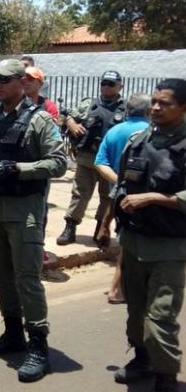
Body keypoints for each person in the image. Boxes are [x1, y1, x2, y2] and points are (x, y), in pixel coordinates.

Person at [0, 59, 66, 383]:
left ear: (21, 82)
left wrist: (19, 169)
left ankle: (38, 345)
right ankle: (13, 333)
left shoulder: (39, 120)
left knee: (27, 278)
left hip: (25, 211)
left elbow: (59, 163)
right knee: (0, 275)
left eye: (4, 80)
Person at [112, 79, 186, 392]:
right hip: (134, 243)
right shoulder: (138, 140)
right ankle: (142, 359)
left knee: (159, 321)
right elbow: (121, 186)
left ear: (183, 108)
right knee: (135, 315)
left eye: (164, 103)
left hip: (169, 248)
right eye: (154, 102)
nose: (155, 108)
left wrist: (155, 198)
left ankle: (166, 378)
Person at [57, 70, 126, 246]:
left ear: (120, 86)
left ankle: (100, 228)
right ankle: (70, 227)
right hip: (87, 158)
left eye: (111, 84)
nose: (106, 87)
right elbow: (67, 116)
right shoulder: (88, 104)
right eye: (104, 83)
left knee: (107, 196)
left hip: (111, 162)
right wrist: (72, 124)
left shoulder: (125, 108)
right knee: (79, 194)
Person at [93, 94, 150, 305]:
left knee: (127, 242)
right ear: (148, 111)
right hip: (142, 199)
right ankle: (117, 290)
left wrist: (119, 183)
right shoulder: (150, 132)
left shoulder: (114, 131)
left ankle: (123, 288)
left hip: (117, 197)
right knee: (129, 244)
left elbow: (100, 162)